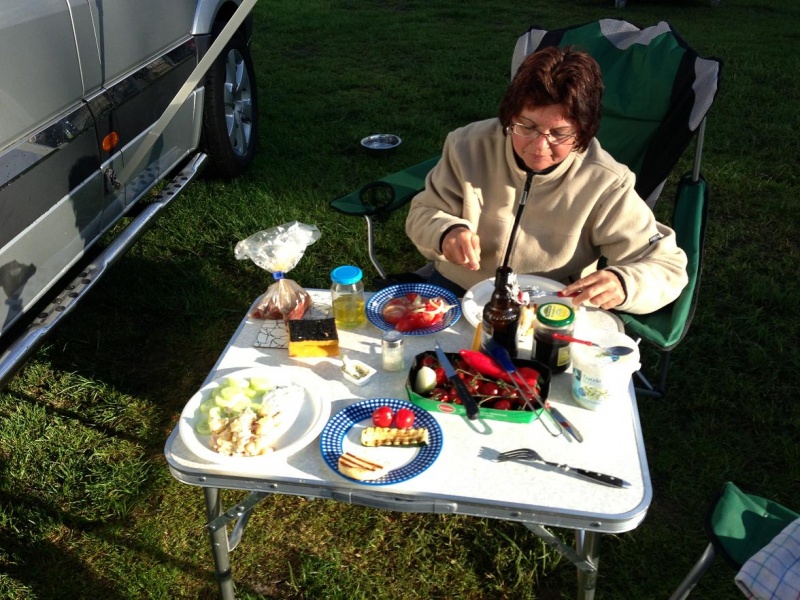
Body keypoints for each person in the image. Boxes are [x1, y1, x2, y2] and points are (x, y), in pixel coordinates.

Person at [405, 46, 687, 314]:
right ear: (509, 116)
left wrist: (624, 283)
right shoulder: (466, 145)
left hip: (549, 306)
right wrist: (446, 232)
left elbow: (667, 266)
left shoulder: (606, 181)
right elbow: (423, 212)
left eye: (559, 133)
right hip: (457, 289)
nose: (539, 146)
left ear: (584, 131)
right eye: (527, 126)